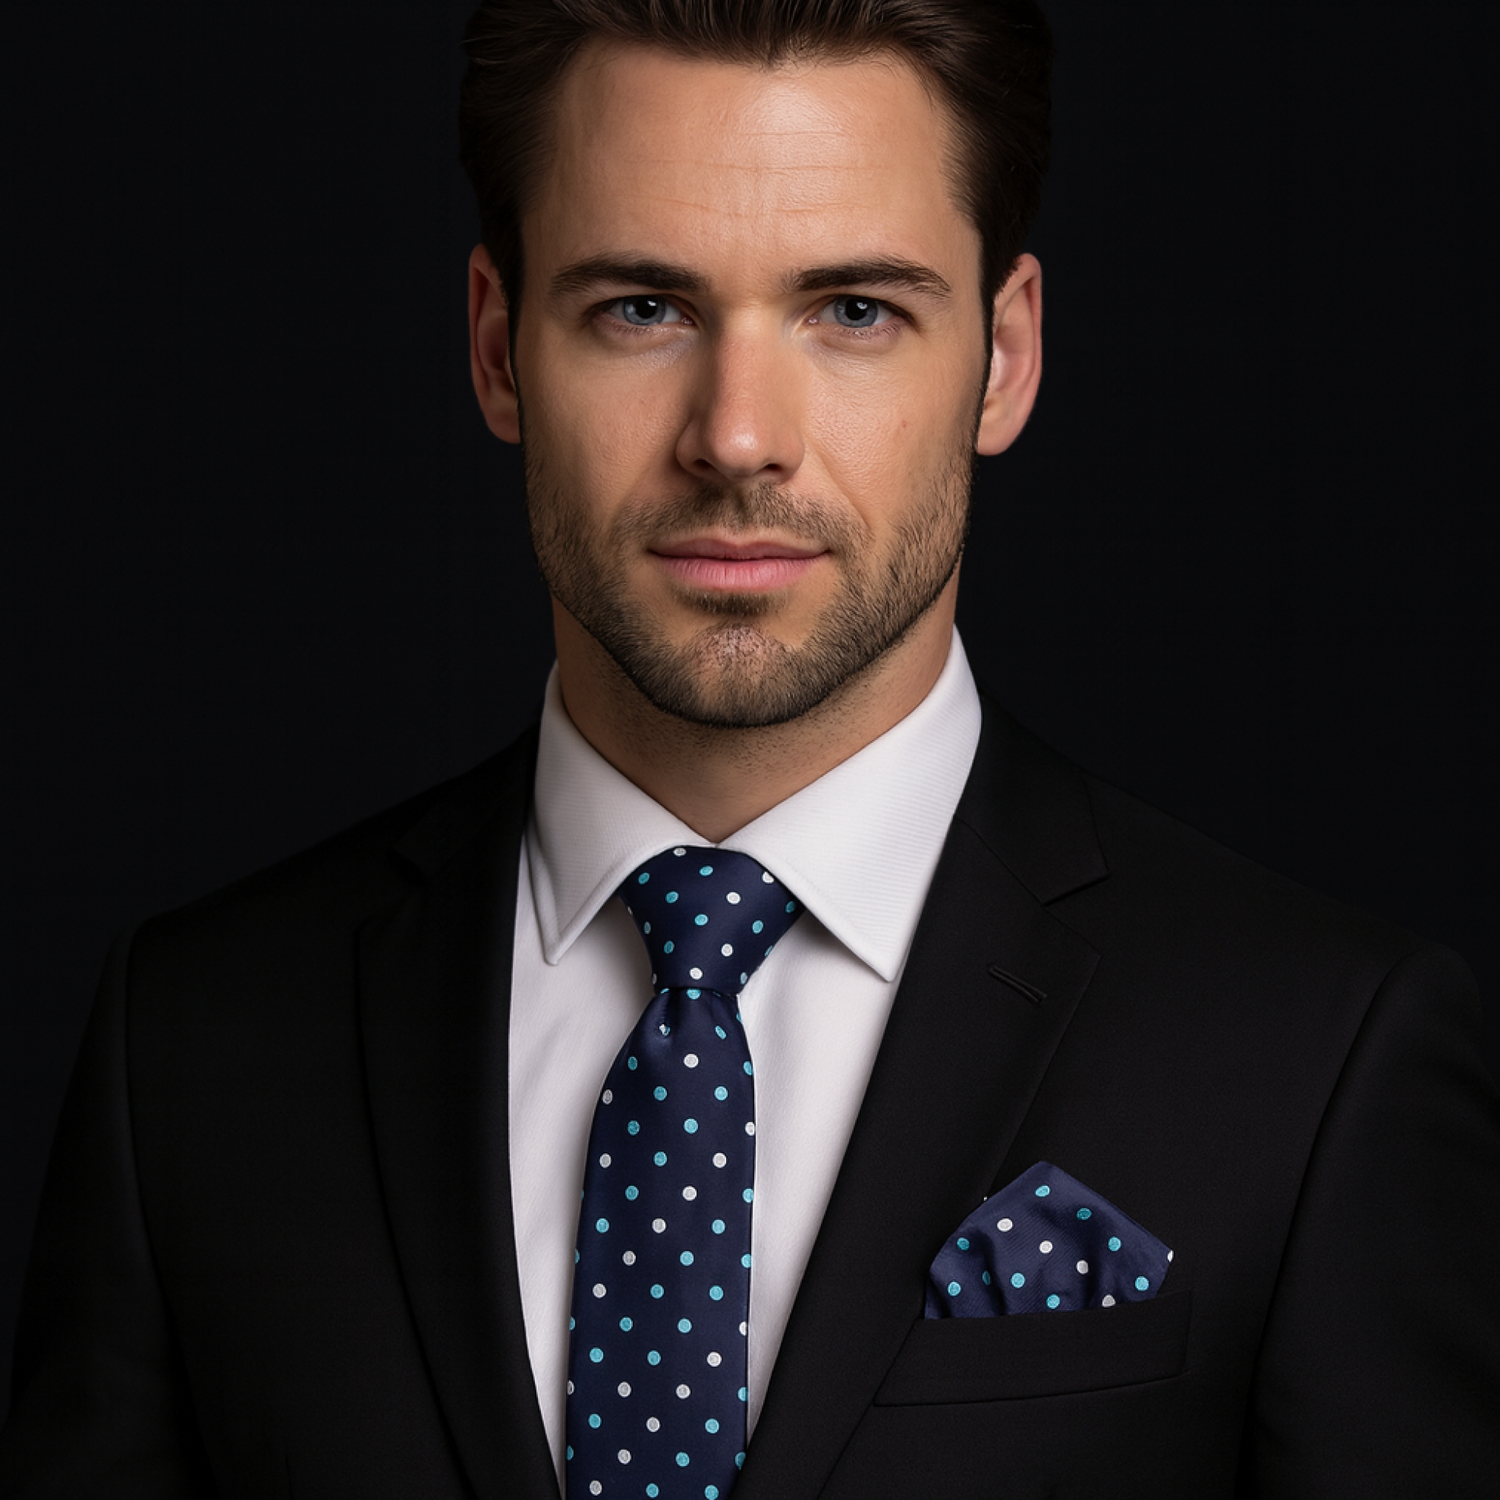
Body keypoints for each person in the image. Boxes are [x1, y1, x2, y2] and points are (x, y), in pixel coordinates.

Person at [2, 1, 1496, 1495]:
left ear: (1005, 357)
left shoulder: (1319, 1058)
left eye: (855, 311)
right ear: (496, 347)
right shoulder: (192, 1046)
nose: (736, 437)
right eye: (640, 308)